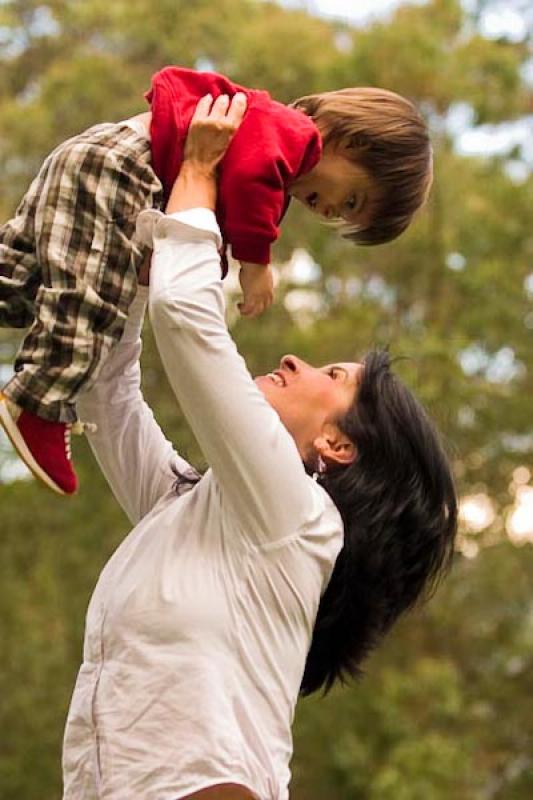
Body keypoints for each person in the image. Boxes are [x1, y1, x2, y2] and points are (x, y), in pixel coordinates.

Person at [61, 94, 456, 800]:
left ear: (337, 444)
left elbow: (184, 320)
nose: (300, 361)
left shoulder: (300, 521)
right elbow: (105, 391)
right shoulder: (195, 510)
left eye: (332, 376)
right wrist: (124, 259)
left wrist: (200, 174)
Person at [0, 64, 432, 496]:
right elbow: (247, 181)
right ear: (354, 142)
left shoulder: (279, 148)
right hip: (120, 172)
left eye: (343, 216)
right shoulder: (288, 135)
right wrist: (256, 262)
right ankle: (41, 402)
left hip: (99, 161)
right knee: (91, 303)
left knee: (21, 282)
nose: (330, 212)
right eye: (351, 199)